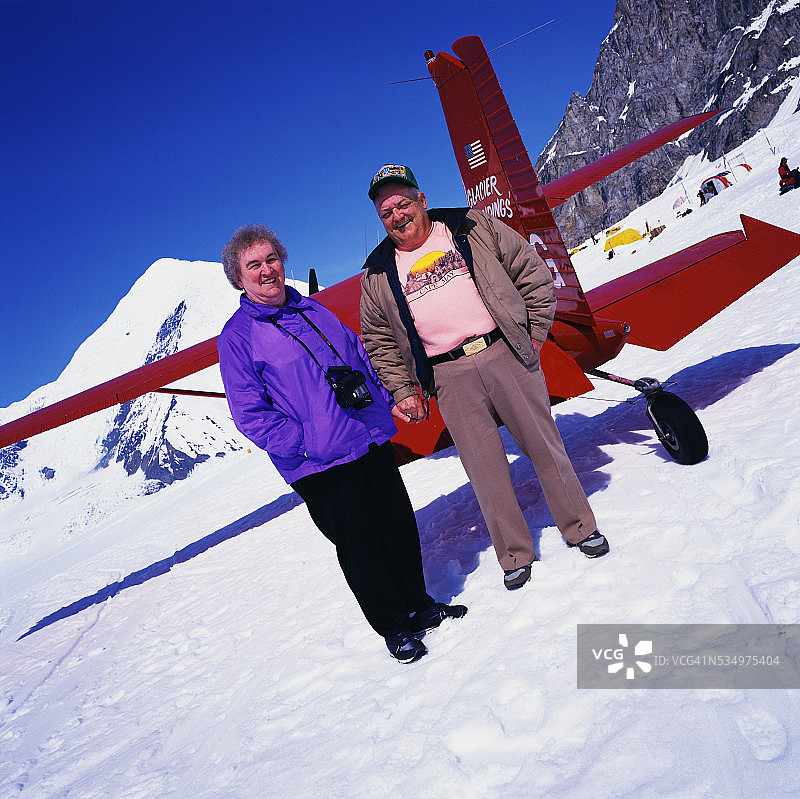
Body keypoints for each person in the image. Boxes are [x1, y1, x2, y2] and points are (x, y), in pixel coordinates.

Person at [217, 223, 466, 663]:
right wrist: (306, 441)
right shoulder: (237, 338)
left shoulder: (312, 310)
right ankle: (394, 627)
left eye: (272, 259)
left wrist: (392, 395)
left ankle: (420, 605)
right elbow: (249, 413)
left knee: (397, 526)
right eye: (253, 265)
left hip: (366, 438)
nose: (267, 270)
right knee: (359, 543)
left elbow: (357, 353)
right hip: (319, 462)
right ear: (239, 279)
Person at [359, 165, 609, 592]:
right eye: (386, 212)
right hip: (447, 374)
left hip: (504, 351)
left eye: (403, 203)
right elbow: (378, 340)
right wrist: (403, 389)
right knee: (484, 470)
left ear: (422, 199)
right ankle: (513, 554)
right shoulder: (377, 272)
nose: (397, 215)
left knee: (544, 446)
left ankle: (580, 526)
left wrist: (531, 335)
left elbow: (529, 269)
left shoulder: (471, 225)